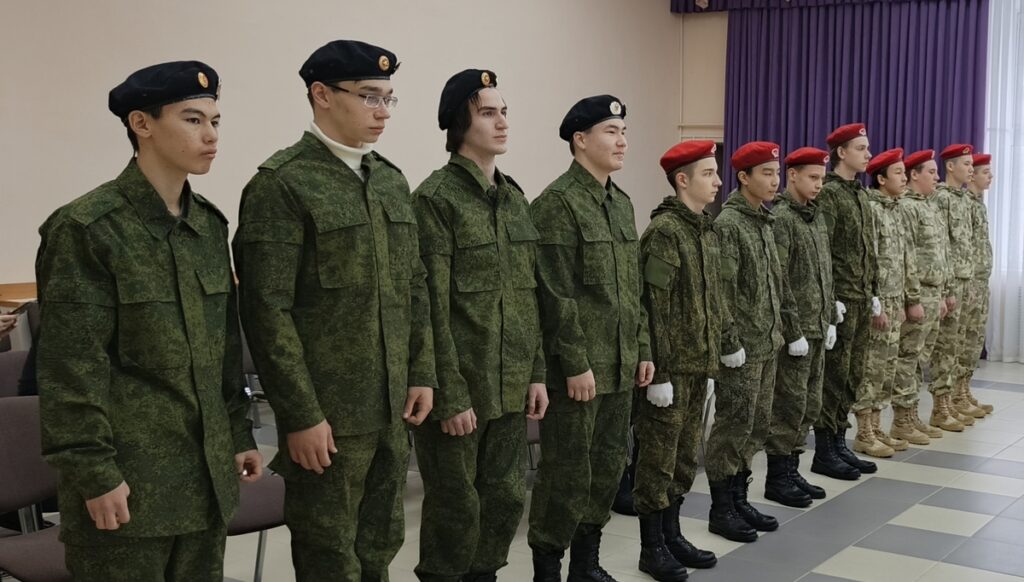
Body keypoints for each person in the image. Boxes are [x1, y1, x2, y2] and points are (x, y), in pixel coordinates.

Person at [35, 61, 261, 581]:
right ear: (142, 124)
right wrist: (94, 473)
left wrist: (237, 434)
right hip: (129, 485)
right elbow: (71, 369)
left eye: (215, 121)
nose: (211, 136)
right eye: (192, 119)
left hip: (204, 482)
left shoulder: (207, 226)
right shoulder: (88, 228)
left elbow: (223, 352)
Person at [233, 40, 435, 582]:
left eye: (389, 98)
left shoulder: (389, 179)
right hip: (328, 415)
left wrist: (421, 371)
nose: (382, 111)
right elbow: (267, 312)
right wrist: (300, 414)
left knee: (380, 544)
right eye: (369, 96)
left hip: (391, 406)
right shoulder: (282, 184)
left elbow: (413, 287)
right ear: (321, 95)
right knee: (330, 555)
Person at [411, 68, 548, 582]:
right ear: (458, 122)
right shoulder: (436, 199)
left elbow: (528, 298)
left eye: (504, 111)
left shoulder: (514, 200)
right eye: (488, 113)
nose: (502, 122)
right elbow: (429, 307)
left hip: (509, 387)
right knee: (455, 508)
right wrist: (448, 394)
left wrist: (536, 373)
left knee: (505, 498)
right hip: (462, 388)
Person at [527, 94, 654, 582]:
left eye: (624, 132)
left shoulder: (621, 204)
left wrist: (642, 349)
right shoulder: (557, 205)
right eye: (610, 132)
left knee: (606, 469)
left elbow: (633, 291)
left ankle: (585, 564)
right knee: (566, 475)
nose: (622, 142)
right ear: (580, 140)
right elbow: (554, 294)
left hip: (619, 367)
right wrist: (575, 363)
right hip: (577, 373)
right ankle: (547, 569)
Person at [632, 140, 729, 580]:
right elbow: (654, 307)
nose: (718, 181)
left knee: (685, 458)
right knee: (657, 459)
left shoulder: (704, 230)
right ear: (683, 180)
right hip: (669, 372)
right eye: (708, 173)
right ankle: (651, 547)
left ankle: (672, 535)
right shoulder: (666, 232)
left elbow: (711, 301)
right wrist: (660, 372)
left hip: (697, 366)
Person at [705, 141, 807, 542]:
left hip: (767, 343)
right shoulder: (729, 224)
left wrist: (788, 331)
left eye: (776, 173)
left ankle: (739, 497)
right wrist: (729, 341)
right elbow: (722, 292)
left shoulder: (764, 221)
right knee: (733, 426)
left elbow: (777, 285)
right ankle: (721, 508)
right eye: (766, 173)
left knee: (756, 426)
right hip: (742, 350)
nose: (774, 180)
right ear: (743, 177)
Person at [763, 146, 837, 508]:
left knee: (809, 404)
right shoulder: (782, 218)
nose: (819, 184)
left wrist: (831, 314)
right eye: (812, 177)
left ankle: (793, 470)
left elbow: (824, 271)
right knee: (788, 406)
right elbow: (779, 280)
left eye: (822, 177)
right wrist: (792, 331)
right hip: (797, 332)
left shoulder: (815, 216)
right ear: (792, 175)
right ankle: (778, 477)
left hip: (818, 325)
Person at [813, 123, 879, 480]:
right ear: (841, 152)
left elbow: (868, 248)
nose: (868, 154)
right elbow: (824, 251)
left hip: (861, 297)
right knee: (834, 377)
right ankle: (825, 451)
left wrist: (874, 291)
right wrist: (830, 300)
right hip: (840, 300)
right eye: (860, 148)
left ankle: (840, 442)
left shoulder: (860, 194)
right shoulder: (829, 194)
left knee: (853, 375)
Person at [852, 148, 921, 458]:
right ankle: (863, 432)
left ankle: (877, 426)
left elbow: (904, 259)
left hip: (895, 299)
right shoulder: (871, 209)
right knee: (872, 367)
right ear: (881, 179)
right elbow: (868, 260)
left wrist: (905, 301)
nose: (904, 178)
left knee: (887, 368)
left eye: (905, 172)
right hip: (879, 301)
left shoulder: (896, 209)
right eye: (898, 173)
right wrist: (875, 303)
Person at [891, 150, 949, 440]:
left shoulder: (929, 206)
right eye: (931, 172)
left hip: (932, 291)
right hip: (918, 291)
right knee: (907, 357)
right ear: (914, 175)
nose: (937, 177)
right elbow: (907, 256)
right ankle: (901, 420)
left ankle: (912, 415)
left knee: (919, 358)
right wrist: (912, 299)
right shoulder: (907, 207)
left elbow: (940, 254)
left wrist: (942, 293)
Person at [928, 144, 977, 430]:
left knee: (957, 344)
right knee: (945, 347)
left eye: (972, 164)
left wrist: (969, 281)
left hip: (963, 279)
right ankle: (940, 406)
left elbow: (966, 245)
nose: (971, 169)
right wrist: (946, 288)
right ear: (950, 166)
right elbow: (940, 245)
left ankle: (951, 401)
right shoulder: (942, 198)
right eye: (966, 164)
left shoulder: (963, 199)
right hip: (949, 280)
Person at [955, 153, 995, 415]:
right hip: (968, 282)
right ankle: (954, 396)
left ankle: (964, 390)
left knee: (973, 340)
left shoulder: (978, 204)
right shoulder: (964, 204)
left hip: (980, 280)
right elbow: (961, 246)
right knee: (961, 341)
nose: (990, 177)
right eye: (985, 172)